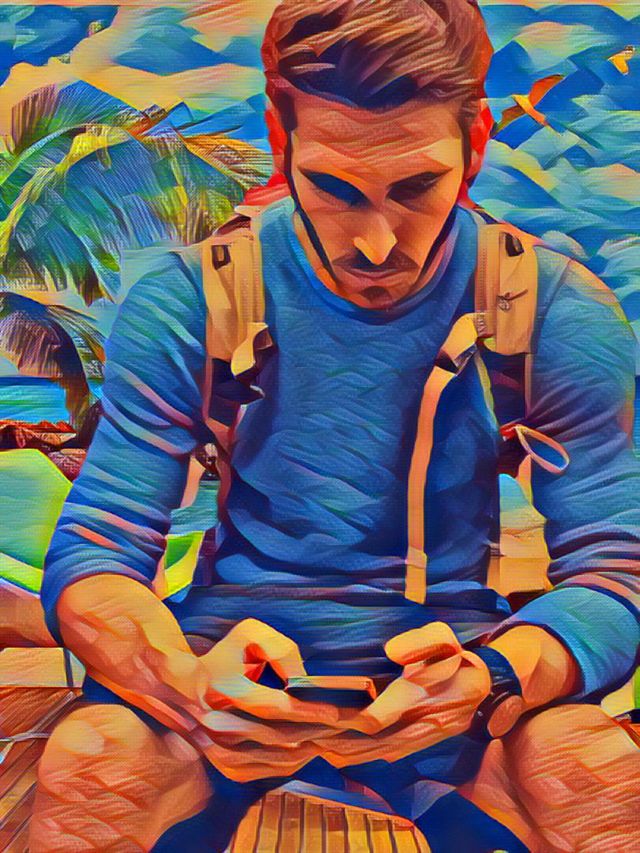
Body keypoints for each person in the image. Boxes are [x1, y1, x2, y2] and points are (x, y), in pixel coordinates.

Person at [30, 1, 640, 850]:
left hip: (452, 667)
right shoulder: (189, 298)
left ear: (476, 142)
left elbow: (617, 567)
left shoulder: (553, 306)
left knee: (592, 773)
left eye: (417, 187)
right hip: (224, 659)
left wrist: (495, 675)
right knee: (95, 766)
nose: (377, 245)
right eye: (334, 188)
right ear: (281, 141)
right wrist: (180, 684)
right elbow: (100, 546)